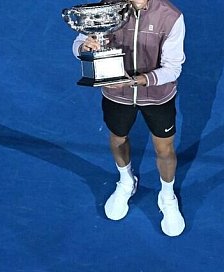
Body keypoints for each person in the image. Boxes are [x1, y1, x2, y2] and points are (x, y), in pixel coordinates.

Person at [73, 0, 186, 237]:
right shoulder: (106, 9)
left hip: (157, 97)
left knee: (165, 149)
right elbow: (78, 45)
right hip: (117, 95)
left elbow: (173, 68)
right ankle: (126, 181)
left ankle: (167, 195)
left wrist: (138, 81)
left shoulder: (171, 16)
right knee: (118, 139)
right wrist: (86, 46)